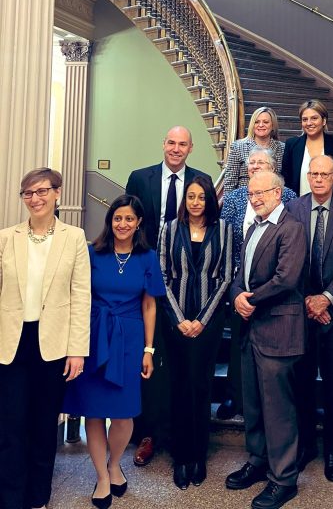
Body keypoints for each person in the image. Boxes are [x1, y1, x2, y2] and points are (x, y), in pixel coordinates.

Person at [64, 195, 165, 509]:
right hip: (93, 336)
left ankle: (114, 462)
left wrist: (149, 348)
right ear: (110, 221)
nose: (123, 224)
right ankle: (102, 475)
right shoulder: (92, 252)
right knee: (93, 411)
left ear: (138, 224)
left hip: (130, 337)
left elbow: (150, 304)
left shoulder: (148, 257)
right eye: (117, 218)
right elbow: (78, 296)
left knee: (123, 413)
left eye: (129, 219)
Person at [0, 168, 90, 509]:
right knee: (10, 425)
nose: (35, 199)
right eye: (28, 193)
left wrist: (77, 350)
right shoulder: (7, 237)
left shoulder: (74, 237)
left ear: (57, 194)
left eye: (42, 191)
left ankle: (38, 495)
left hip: (53, 343)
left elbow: (81, 295)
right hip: (11, 342)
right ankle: (10, 497)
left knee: (42, 424)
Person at [125, 125, 211, 466]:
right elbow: (129, 222)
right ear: (164, 145)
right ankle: (146, 433)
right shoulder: (139, 178)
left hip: (186, 287)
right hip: (146, 276)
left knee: (183, 365)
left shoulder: (201, 182)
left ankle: (179, 434)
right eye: (171, 143)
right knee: (149, 359)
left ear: (191, 148)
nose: (176, 149)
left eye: (182, 144)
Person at [225, 171, 306, 509]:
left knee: (278, 410)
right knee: (254, 404)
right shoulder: (253, 228)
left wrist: (249, 299)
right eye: (250, 194)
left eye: (260, 193)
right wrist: (236, 296)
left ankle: (284, 479)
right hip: (250, 330)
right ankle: (258, 461)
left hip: (277, 330)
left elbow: (285, 279)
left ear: (277, 192)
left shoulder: (291, 228)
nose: (254, 198)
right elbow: (237, 274)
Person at [287, 155, 333, 482]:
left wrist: (327, 298)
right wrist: (306, 299)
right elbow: (289, 258)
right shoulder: (294, 207)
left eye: (323, 174)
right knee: (301, 384)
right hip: (302, 311)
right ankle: (306, 446)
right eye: (312, 173)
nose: (317, 179)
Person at [158, 175, 233, 490]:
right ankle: (181, 456)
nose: (196, 202)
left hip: (209, 320)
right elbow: (162, 275)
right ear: (184, 200)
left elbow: (227, 276)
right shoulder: (169, 229)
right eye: (191, 196)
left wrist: (202, 319)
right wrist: (179, 318)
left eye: (202, 197)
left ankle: (198, 455)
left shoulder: (224, 230)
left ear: (210, 201)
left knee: (201, 387)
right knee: (178, 386)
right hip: (174, 321)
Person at [217, 148, 297, 420]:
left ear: (273, 170)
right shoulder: (237, 197)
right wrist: (235, 288)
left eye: (261, 163)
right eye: (251, 163)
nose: (255, 166)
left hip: (272, 290)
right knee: (240, 345)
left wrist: (253, 295)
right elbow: (226, 235)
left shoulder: (286, 196)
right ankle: (234, 396)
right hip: (240, 279)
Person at [282, 99, 333, 197]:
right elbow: (286, 179)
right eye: (305, 119)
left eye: (314, 118)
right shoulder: (292, 145)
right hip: (298, 207)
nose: (309, 123)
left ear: (323, 121)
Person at [222, 107, 284, 193]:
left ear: (273, 125)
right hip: (244, 198)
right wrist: (229, 204)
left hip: (272, 198)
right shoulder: (238, 147)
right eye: (257, 122)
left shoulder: (282, 148)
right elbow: (229, 182)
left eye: (265, 122)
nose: (261, 125)